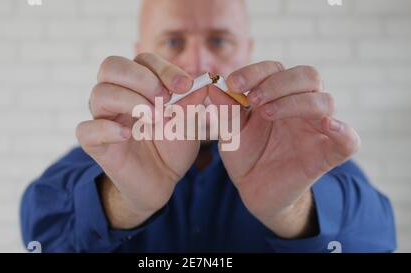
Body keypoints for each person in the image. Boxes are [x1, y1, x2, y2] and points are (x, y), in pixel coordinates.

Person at [20, 0, 396, 252]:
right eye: (172, 41)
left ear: (247, 50)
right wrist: (120, 201)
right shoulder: (106, 154)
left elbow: (378, 238)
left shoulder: (306, 158)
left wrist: (293, 209)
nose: (198, 61)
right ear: (140, 52)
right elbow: (42, 233)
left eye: (219, 40)